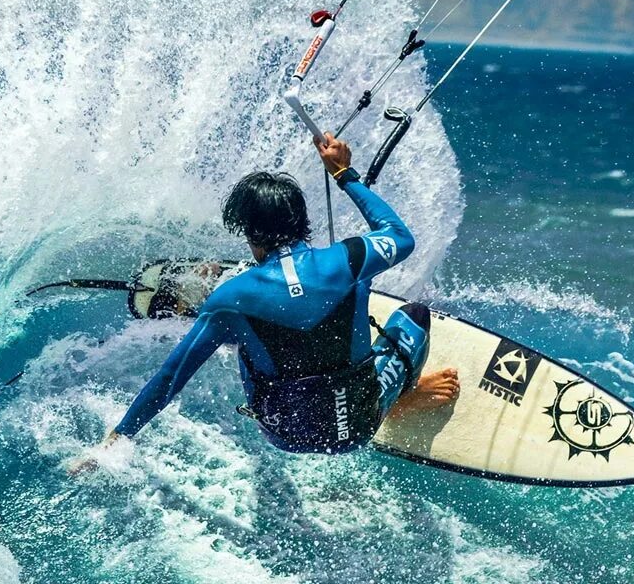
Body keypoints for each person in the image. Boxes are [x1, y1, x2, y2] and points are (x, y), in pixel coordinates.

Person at [70, 134, 459, 472]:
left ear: (247, 232)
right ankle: (399, 395)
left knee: (240, 329)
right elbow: (399, 235)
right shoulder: (351, 259)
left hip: (284, 433)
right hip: (358, 424)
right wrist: (344, 175)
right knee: (413, 315)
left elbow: (169, 380)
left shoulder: (230, 300)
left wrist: (116, 440)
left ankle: (227, 332)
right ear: (301, 221)